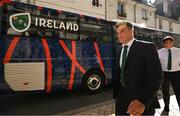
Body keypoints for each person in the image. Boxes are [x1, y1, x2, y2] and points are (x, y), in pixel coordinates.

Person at [113, 21, 163, 115]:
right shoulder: (119, 50)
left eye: (122, 31)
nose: (119, 35)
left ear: (131, 31)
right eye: (118, 32)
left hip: (140, 101)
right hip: (121, 100)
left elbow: (156, 76)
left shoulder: (147, 47)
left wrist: (143, 101)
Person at [158, 36, 180, 114]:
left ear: (172, 42)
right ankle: (166, 107)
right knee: (165, 91)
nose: (167, 44)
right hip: (165, 73)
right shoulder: (159, 52)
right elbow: (157, 64)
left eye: (168, 42)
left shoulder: (178, 51)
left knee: (178, 91)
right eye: (165, 43)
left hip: (176, 73)